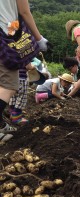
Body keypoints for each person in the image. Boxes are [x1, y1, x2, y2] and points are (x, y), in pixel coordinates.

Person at [0, 0, 49, 143]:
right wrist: (39, 39)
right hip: (5, 32)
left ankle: (2, 124)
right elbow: (24, 12)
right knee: (9, 86)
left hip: (9, 28)